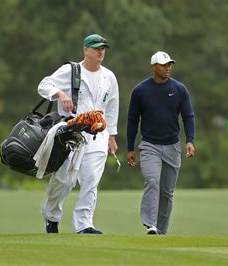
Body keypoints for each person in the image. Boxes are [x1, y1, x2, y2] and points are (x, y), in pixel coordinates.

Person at [37, 34, 119, 234]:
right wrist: (61, 94)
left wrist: (112, 136)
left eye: (103, 48)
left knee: (91, 179)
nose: (101, 51)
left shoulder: (109, 76)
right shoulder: (71, 70)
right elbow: (44, 85)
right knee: (64, 180)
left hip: (97, 134)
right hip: (70, 133)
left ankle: (84, 224)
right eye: (96, 48)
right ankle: (52, 216)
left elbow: (112, 107)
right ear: (86, 50)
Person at [126, 51, 195, 235]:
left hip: (172, 146)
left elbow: (188, 117)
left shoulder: (179, 89)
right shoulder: (140, 91)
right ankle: (150, 224)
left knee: (167, 192)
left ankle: (160, 232)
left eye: (169, 64)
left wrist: (189, 140)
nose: (168, 68)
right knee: (152, 181)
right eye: (164, 65)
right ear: (153, 67)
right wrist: (130, 148)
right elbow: (133, 120)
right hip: (149, 146)